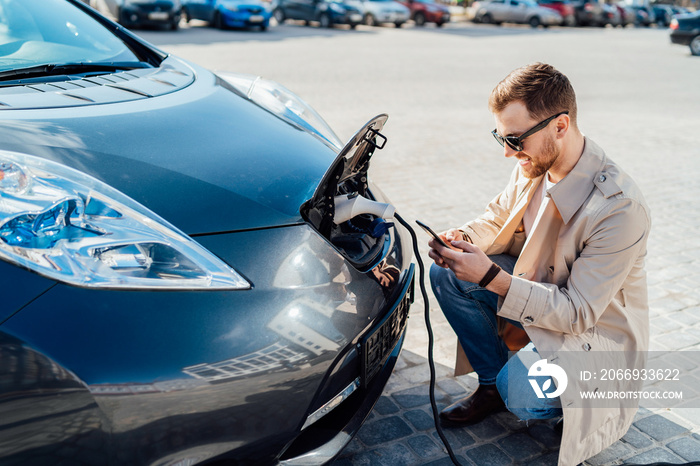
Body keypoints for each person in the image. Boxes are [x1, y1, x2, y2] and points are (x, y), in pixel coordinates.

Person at [427, 63, 650, 465]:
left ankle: (580, 401)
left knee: (523, 395)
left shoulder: (620, 209)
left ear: (560, 126)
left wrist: (492, 277)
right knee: (447, 272)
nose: (509, 152)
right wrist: (461, 239)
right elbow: (496, 218)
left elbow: (579, 313)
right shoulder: (533, 162)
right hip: (539, 297)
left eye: (514, 139)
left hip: (590, 336)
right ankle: (493, 384)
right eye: (501, 137)